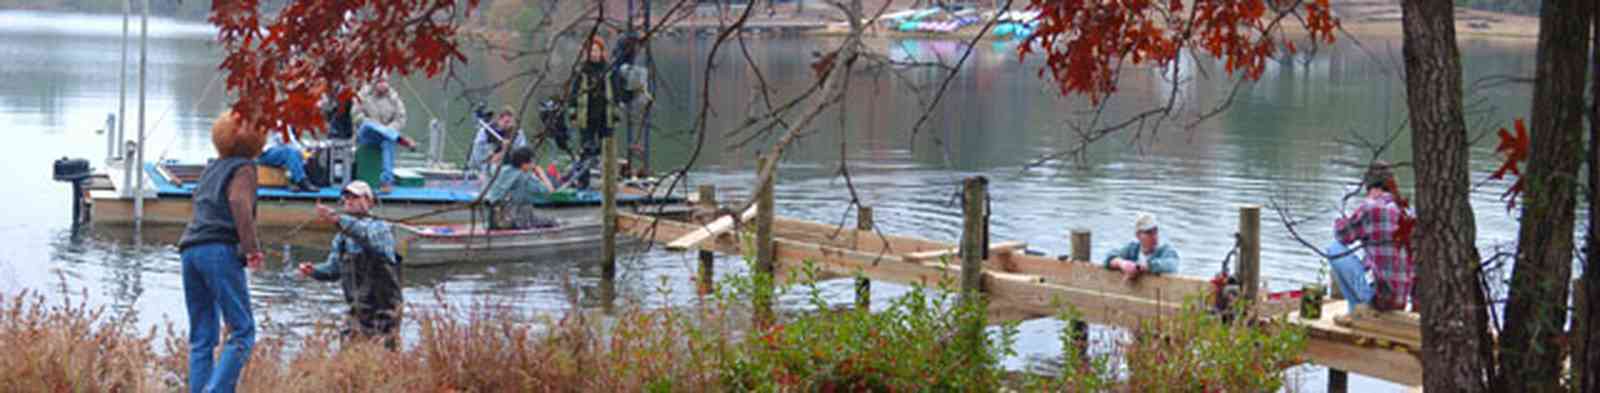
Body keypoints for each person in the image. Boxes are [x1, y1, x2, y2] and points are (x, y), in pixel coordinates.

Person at [176, 110, 265, 393]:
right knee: (242, 331)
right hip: (219, 250)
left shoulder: (212, 167)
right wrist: (251, 249)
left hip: (190, 249)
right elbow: (239, 201)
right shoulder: (245, 168)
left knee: (202, 335)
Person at [297, 181, 405, 348]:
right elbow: (333, 270)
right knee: (348, 349)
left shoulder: (381, 227)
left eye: (355, 196)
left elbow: (367, 236)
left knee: (384, 354)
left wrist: (337, 219)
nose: (349, 200)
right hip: (358, 311)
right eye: (346, 197)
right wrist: (314, 270)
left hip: (385, 313)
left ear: (369, 202)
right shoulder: (341, 238)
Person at [1333, 161, 1415, 312]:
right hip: (1401, 300)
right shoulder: (1408, 211)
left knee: (1334, 249)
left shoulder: (1370, 207)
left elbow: (1341, 235)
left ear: (1368, 185)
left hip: (1379, 300)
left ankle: (1357, 308)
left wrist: (1340, 220)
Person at [564, 37, 626, 190]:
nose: (594, 54)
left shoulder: (609, 70)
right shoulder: (581, 71)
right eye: (591, 51)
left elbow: (617, 92)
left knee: (607, 150)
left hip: (606, 116)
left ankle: (610, 181)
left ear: (602, 52)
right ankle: (583, 182)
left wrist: (617, 113)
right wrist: (573, 114)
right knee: (586, 149)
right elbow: (573, 93)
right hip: (586, 116)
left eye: (596, 50)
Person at [353, 75, 418, 193]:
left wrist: (387, 129)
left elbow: (400, 118)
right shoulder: (363, 95)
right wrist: (378, 127)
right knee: (368, 123)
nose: (383, 84)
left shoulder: (394, 98)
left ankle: (386, 182)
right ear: (373, 83)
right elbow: (356, 115)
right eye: (379, 82)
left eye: (385, 82)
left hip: (386, 135)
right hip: (366, 135)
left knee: (388, 141)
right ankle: (400, 139)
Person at [482, 147, 559, 230]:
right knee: (553, 221)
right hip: (513, 221)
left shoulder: (502, 170)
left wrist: (504, 149)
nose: (533, 164)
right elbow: (550, 191)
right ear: (524, 164)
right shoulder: (525, 177)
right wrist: (540, 173)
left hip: (494, 220)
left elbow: (491, 164)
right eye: (532, 162)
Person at [1103, 213, 1180, 281]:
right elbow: (1108, 258)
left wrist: (1141, 267)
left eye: (1155, 231)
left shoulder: (1166, 250)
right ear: (1138, 235)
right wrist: (1122, 264)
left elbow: (1172, 265)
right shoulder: (1132, 248)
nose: (1154, 236)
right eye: (1149, 232)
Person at [469, 105, 529, 177]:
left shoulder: (517, 133)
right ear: (499, 120)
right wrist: (503, 151)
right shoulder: (485, 132)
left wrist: (509, 149)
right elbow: (479, 157)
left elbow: (522, 153)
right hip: (485, 168)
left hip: (508, 166)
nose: (509, 125)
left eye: (511, 122)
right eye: (506, 122)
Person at [257, 128, 319, 193]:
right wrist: (301, 152)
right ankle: (301, 181)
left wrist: (303, 151)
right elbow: (284, 139)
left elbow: (291, 140)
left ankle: (295, 181)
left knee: (294, 153)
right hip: (265, 154)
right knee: (289, 152)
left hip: (278, 152)